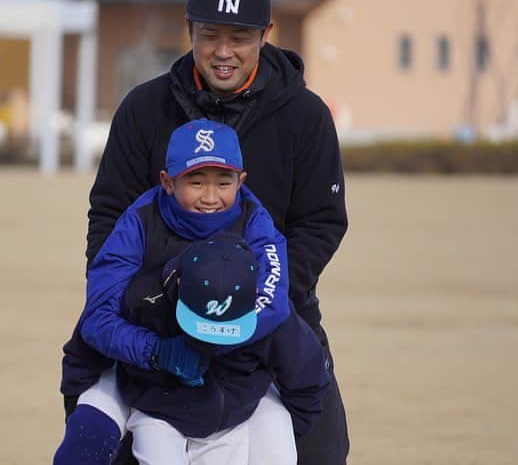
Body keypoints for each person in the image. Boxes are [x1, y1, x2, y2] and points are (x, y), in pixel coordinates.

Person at [63, 0, 351, 462]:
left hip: (271, 310)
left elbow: (320, 224)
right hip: (153, 315)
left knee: (319, 446)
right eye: (210, 35)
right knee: (102, 437)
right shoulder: (144, 108)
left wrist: (249, 296)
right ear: (189, 30)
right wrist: (145, 300)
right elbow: (109, 214)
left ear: (266, 34)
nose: (224, 51)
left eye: (240, 37)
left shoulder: (305, 116)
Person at [55, 119, 329, 464]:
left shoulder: (257, 222)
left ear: (241, 181)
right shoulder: (138, 223)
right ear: (168, 182)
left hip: (236, 378)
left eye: (223, 182)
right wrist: (158, 351)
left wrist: (212, 338)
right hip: (146, 363)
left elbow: (271, 303)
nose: (210, 197)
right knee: (91, 442)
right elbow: (97, 317)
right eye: (196, 182)